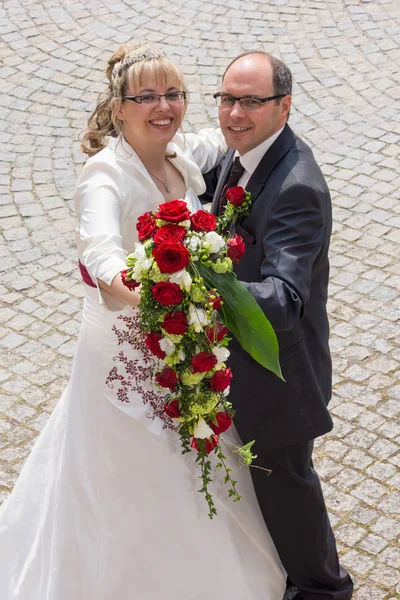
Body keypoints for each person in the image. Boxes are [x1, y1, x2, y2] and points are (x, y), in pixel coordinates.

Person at [0, 43, 286, 599]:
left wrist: (267, 127)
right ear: (119, 107)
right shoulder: (105, 175)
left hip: (181, 352)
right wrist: (158, 290)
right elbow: (102, 253)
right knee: (126, 477)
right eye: (147, 96)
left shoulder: (180, 154)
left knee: (192, 458)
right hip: (122, 360)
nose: (164, 106)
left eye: (174, 94)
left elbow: (235, 138)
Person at [207, 51, 354, 600]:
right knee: (264, 486)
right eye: (227, 98)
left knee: (288, 490)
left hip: (280, 378)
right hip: (244, 368)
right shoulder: (245, 153)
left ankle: (325, 589)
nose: (234, 112)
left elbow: (285, 296)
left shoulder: (297, 187)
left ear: (283, 106)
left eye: (251, 100)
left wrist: (203, 283)